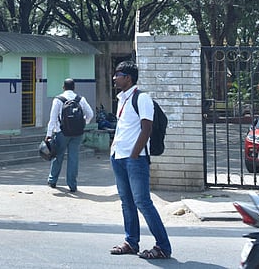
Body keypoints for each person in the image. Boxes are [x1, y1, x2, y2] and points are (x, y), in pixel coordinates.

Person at [109, 61, 172, 259]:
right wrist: (114, 151)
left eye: (118, 75)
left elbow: (147, 128)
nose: (114, 78)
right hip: (118, 156)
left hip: (134, 159)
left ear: (128, 78)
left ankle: (163, 247)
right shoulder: (122, 99)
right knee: (126, 202)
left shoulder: (142, 98)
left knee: (142, 202)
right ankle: (131, 242)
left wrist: (135, 154)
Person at [45, 78, 94, 192]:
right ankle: (72, 185)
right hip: (77, 133)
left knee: (58, 156)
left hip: (61, 132)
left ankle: (52, 180)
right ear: (74, 87)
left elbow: (52, 119)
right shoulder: (80, 99)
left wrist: (49, 134)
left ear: (63, 87)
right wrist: (84, 123)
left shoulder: (58, 100)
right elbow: (90, 114)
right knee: (73, 158)